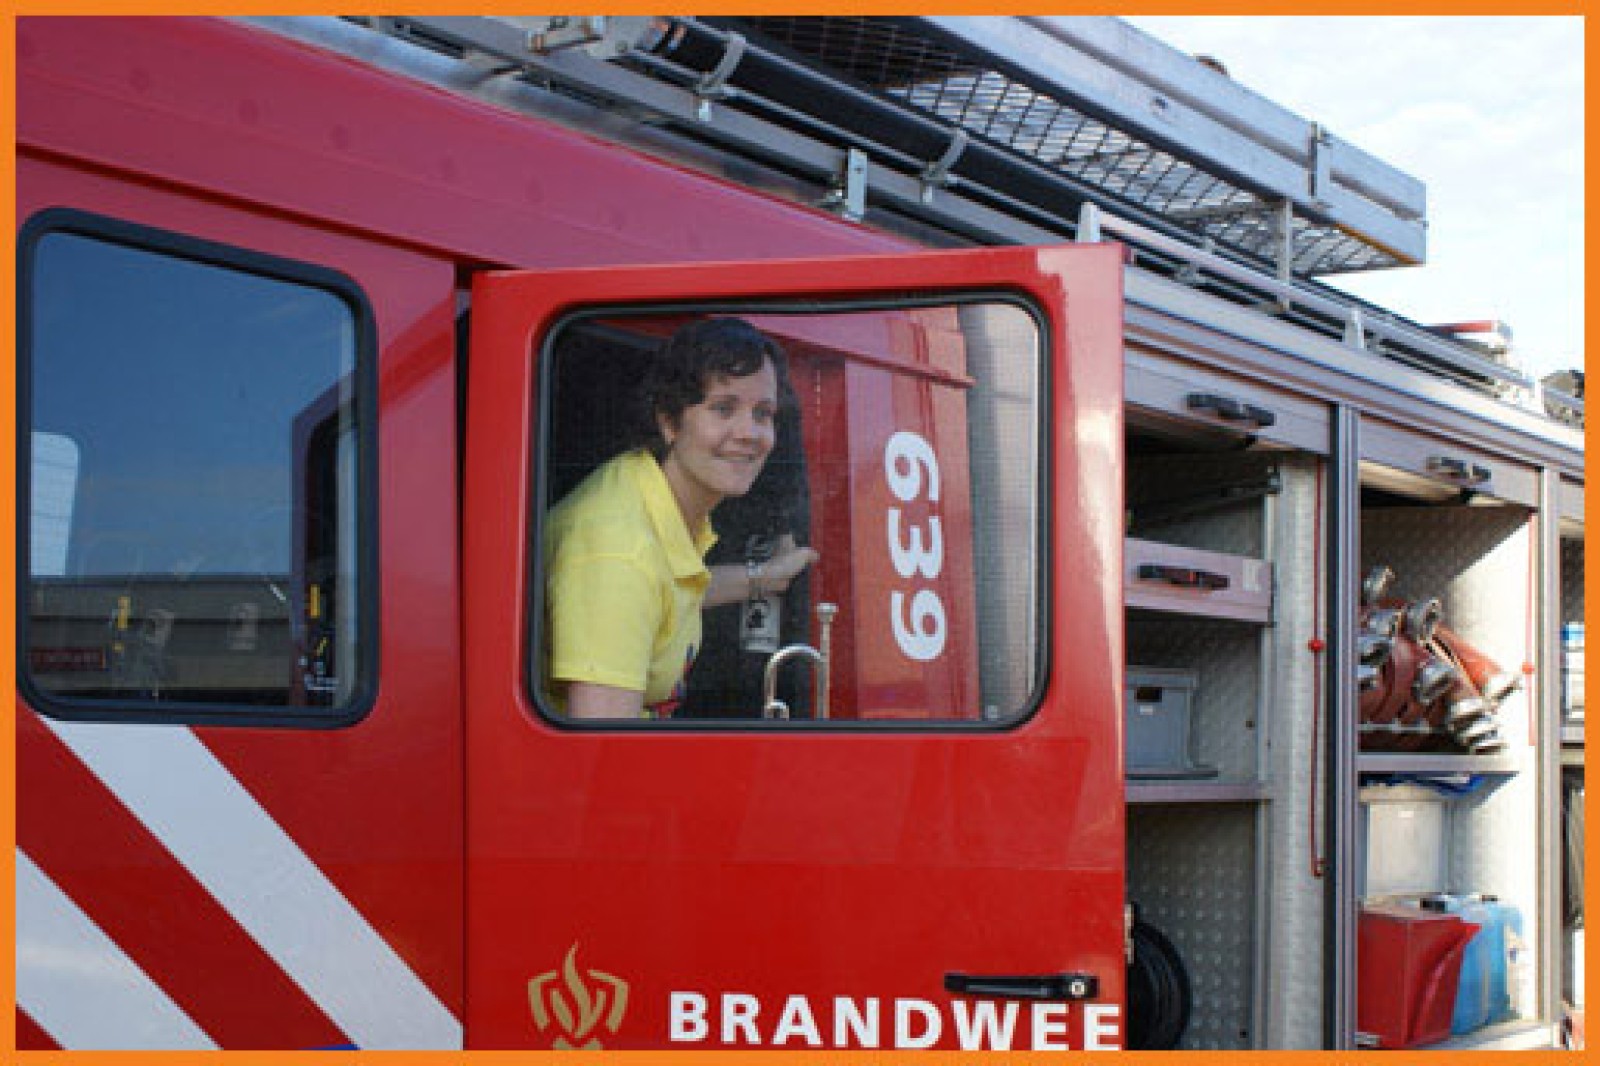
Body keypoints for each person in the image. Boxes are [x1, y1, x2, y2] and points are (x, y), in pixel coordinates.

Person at [543, 317, 818, 719]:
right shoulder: (618, 554)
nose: (750, 433)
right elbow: (603, 749)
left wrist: (764, 577)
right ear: (669, 421)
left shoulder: (642, 483)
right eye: (723, 409)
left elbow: (665, 593)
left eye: (763, 413)